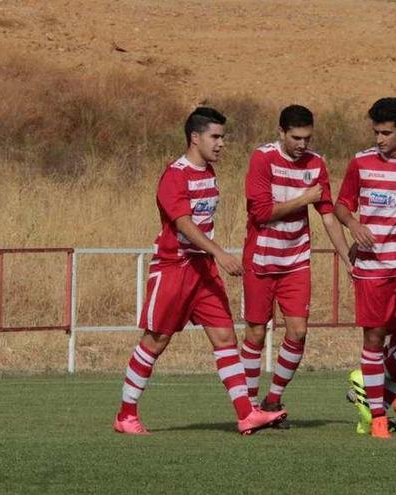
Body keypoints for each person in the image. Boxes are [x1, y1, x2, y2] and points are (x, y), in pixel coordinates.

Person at [112, 107, 285, 435]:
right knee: (156, 340)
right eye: (215, 137)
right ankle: (126, 415)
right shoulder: (175, 175)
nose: (221, 144)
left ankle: (246, 413)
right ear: (195, 137)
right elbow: (183, 223)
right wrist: (220, 252)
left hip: (202, 269)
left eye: (223, 137)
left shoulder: (207, 173)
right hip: (174, 267)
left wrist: (212, 257)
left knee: (224, 336)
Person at [239, 105, 351, 425]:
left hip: (295, 259)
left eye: (307, 137)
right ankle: (248, 406)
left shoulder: (316, 164)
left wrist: (345, 257)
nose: (302, 144)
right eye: (296, 137)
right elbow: (261, 212)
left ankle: (272, 400)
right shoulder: (263, 158)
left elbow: (328, 215)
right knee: (257, 333)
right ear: (281, 133)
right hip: (261, 258)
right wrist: (305, 198)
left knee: (298, 331)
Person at [335, 97, 396, 439]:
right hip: (373, 266)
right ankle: (377, 417)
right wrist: (353, 225)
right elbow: (342, 205)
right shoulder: (361, 162)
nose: (379, 139)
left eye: (386, 133)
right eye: (376, 132)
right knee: (374, 337)